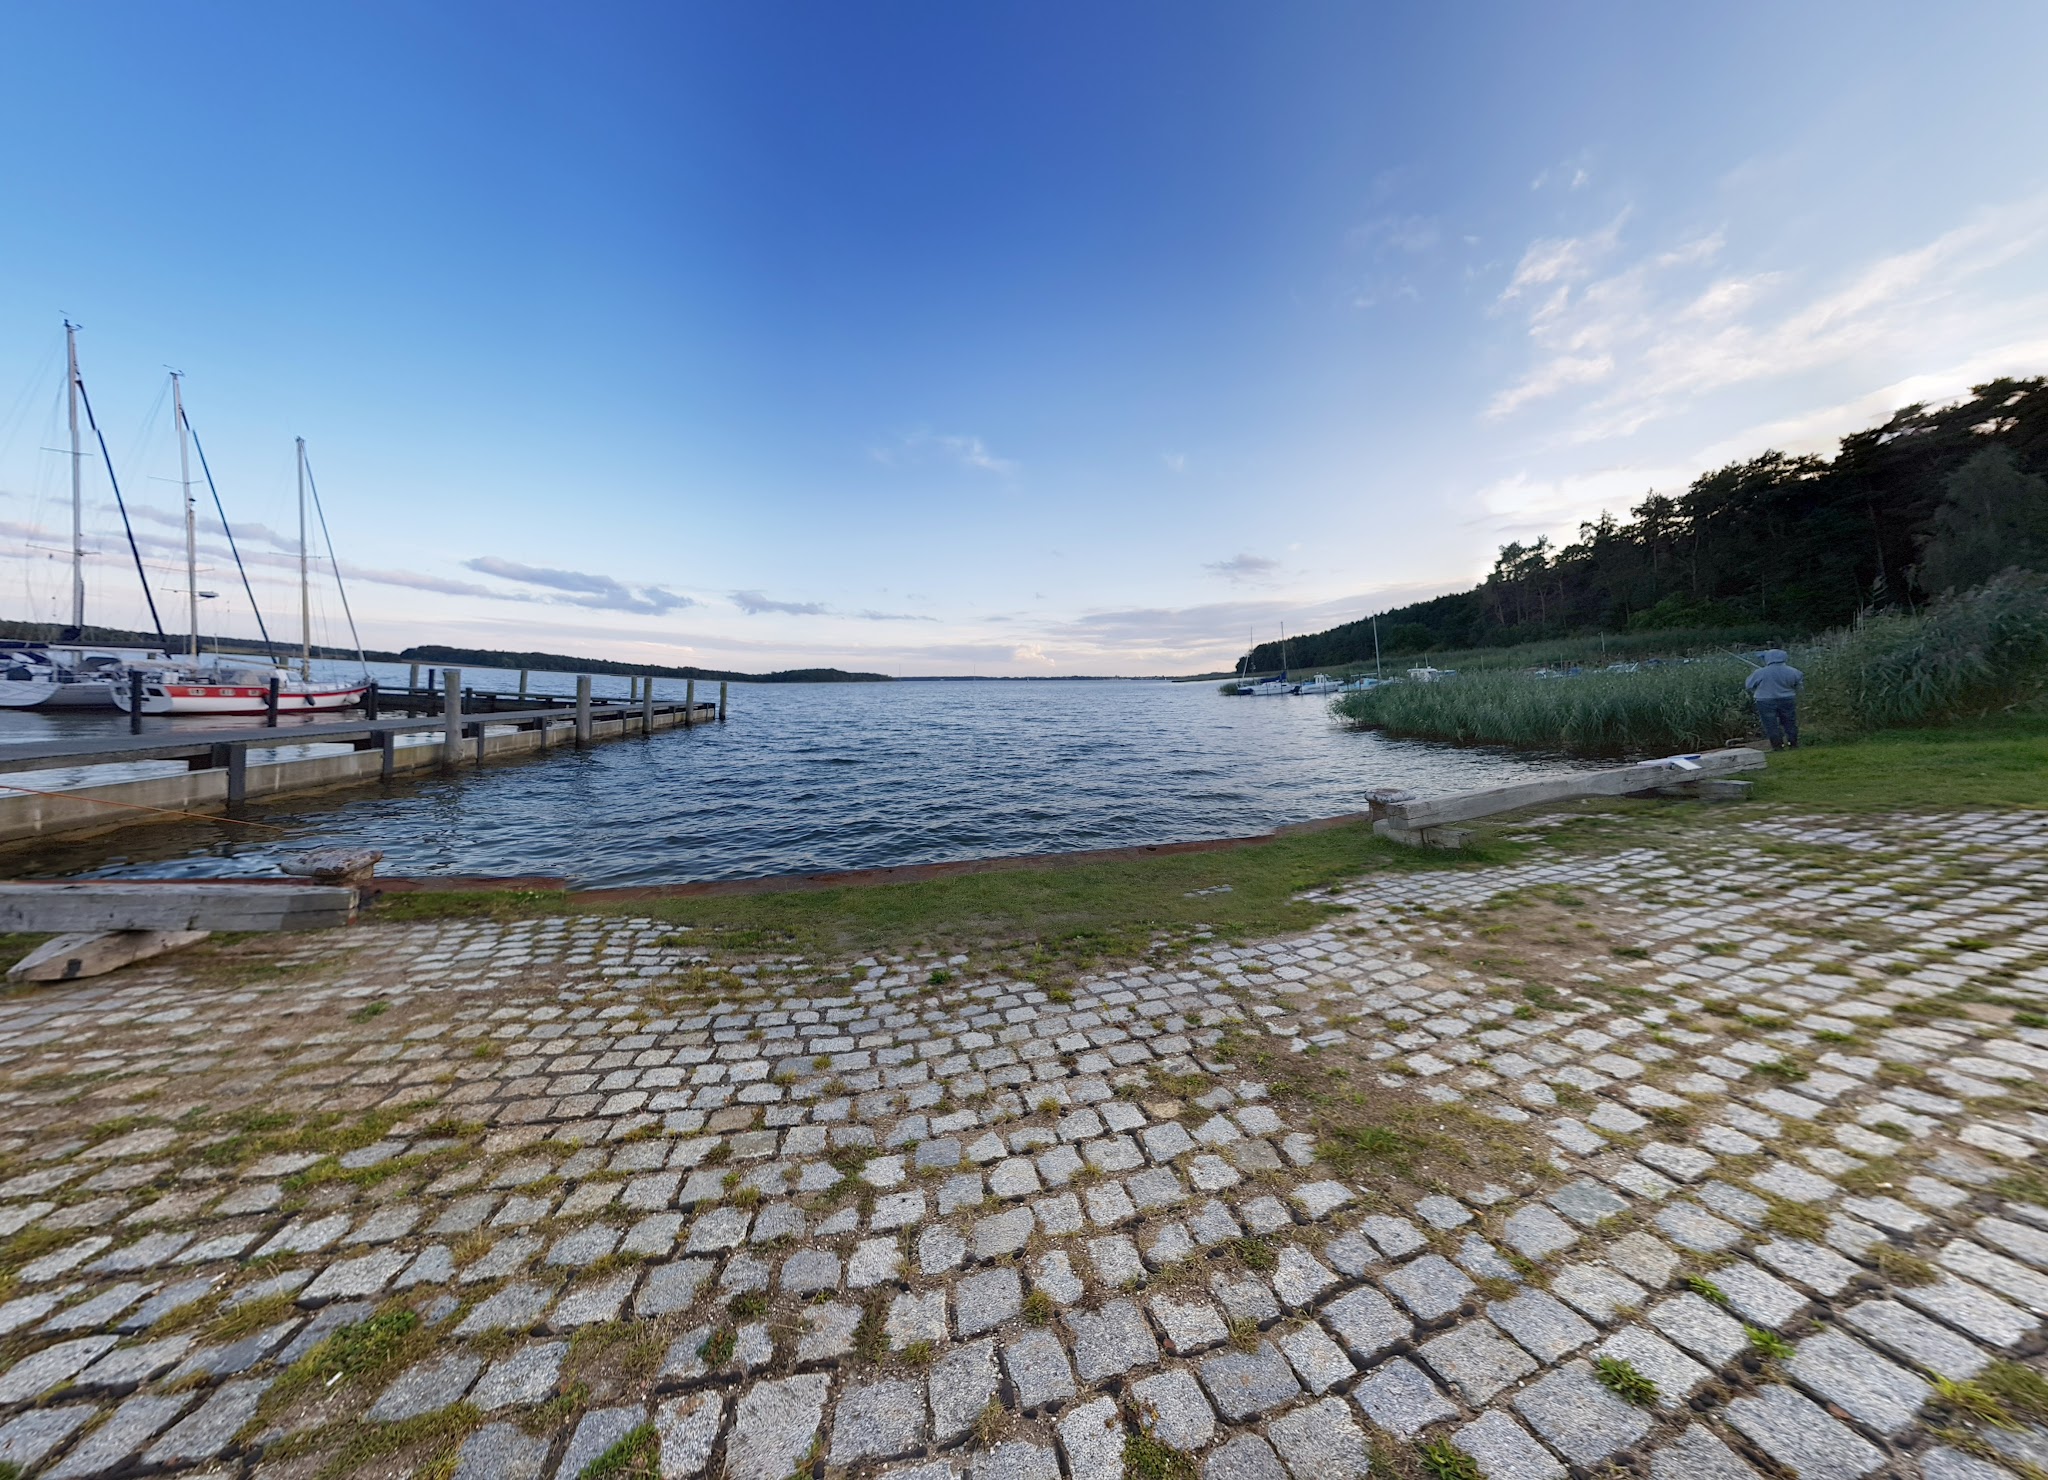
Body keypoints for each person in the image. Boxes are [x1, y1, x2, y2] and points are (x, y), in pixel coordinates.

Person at [1745, 648, 1803, 750]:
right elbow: (1799, 687)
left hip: (1765, 701)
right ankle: (1793, 744)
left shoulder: (1760, 672)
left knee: (1771, 725)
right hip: (1787, 699)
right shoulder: (1794, 671)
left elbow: (1749, 685)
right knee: (1790, 723)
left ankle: (1777, 747)